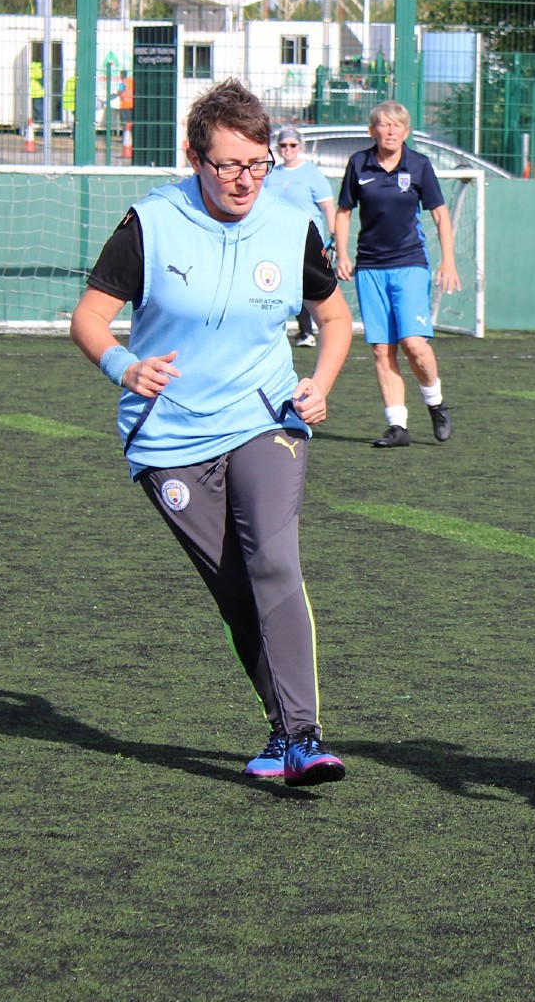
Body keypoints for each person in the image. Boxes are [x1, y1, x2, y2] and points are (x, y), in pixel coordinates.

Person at [68, 78, 355, 786]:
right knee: (234, 591)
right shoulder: (151, 223)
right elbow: (88, 319)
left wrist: (318, 384)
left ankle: (303, 736)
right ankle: (280, 731)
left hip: (266, 417)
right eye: (228, 164)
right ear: (195, 158)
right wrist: (123, 366)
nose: (244, 180)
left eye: (257, 164)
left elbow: (336, 319)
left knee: (274, 563)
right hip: (167, 436)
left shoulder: (292, 226)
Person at [330, 100, 460, 447]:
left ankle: (435, 403)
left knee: (414, 344)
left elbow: (440, 214)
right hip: (370, 268)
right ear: (372, 130)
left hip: (410, 264)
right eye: (383, 125)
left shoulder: (419, 165)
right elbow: (343, 212)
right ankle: (397, 426)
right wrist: (341, 253)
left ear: (407, 131)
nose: (390, 131)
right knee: (381, 349)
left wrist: (448, 260)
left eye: (397, 126)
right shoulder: (359, 163)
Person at [262, 124, 335, 347]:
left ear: (299, 146)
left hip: (305, 240)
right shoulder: (271, 174)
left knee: (305, 286)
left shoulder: (311, 173)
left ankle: (309, 332)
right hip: (276, 239)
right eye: (283, 145)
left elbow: (328, 207)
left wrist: (334, 238)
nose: (288, 149)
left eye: (292, 145)